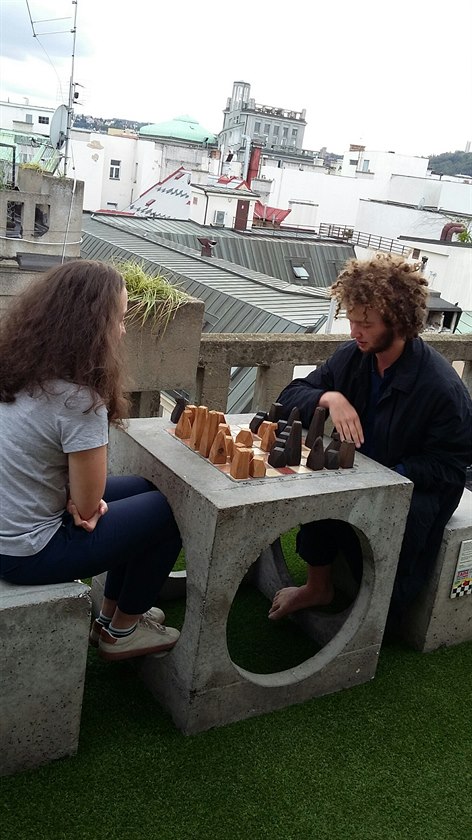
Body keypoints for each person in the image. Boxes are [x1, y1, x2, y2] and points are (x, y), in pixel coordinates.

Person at [268, 253, 472, 632]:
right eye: (351, 319)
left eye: (365, 323)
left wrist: (385, 476)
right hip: (362, 472)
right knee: (317, 478)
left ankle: (380, 611)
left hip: (414, 492)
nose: (353, 331)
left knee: (387, 613)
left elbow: (450, 467)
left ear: (399, 322)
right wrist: (329, 398)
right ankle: (318, 586)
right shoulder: (353, 357)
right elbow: (290, 396)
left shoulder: (443, 389)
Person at [0, 259, 182, 661]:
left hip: (11, 523)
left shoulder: (15, 373)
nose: (123, 329)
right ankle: (124, 632)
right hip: (26, 553)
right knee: (167, 512)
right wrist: (82, 502)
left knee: (144, 488)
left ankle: (108, 618)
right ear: (90, 327)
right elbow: (86, 506)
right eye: (119, 318)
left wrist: (77, 499)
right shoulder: (77, 399)